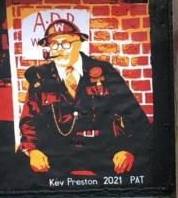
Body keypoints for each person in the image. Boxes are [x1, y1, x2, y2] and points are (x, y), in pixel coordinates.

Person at [18, 19, 151, 177]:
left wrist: (128, 149)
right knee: (19, 172)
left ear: (79, 43)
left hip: (104, 151)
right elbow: (29, 120)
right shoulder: (41, 76)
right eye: (54, 44)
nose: (60, 49)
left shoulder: (103, 71)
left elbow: (134, 114)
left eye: (66, 42)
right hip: (56, 154)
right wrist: (32, 151)